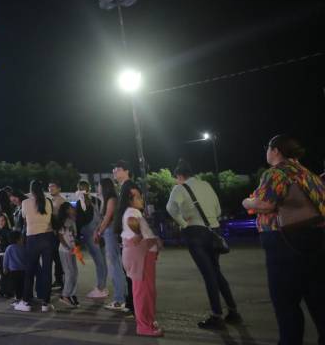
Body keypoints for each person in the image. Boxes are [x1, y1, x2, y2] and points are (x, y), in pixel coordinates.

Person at [243, 135, 325, 345]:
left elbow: (266, 204)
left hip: (284, 242)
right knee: (317, 299)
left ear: (276, 150)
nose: (267, 152)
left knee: (286, 303)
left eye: (268, 148)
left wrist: (247, 201)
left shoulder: (277, 173)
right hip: (316, 241)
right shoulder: (311, 175)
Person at [167, 159, 241, 329]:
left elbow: (171, 208)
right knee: (216, 272)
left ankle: (216, 316)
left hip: (195, 234)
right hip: (214, 231)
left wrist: (184, 223)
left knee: (209, 275)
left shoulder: (180, 187)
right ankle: (233, 311)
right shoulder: (206, 185)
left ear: (179, 176)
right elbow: (218, 210)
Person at [121, 185, 163, 337]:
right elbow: (138, 232)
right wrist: (152, 240)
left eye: (140, 196)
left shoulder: (133, 212)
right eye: (137, 197)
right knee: (143, 292)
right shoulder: (132, 212)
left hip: (143, 256)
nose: (141, 199)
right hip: (141, 257)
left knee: (147, 291)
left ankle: (148, 321)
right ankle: (144, 326)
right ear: (129, 200)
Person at [14, 180, 55, 313]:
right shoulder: (48, 201)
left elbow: (25, 219)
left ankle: (26, 302)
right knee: (47, 271)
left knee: (30, 271)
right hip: (47, 238)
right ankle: (46, 303)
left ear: (31, 190)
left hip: (32, 238)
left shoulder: (25, 203)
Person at [94, 178, 128, 310]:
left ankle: (119, 299)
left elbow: (107, 218)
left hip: (111, 234)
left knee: (115, 266)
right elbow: (103, 219)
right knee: (116, 265)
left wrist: (98, 232)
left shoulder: (112, 199)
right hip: (108, 233)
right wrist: (98, 230)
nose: (97, 188)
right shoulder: (107, 199)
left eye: (98, 185)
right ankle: (122, 295)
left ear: (104, 186)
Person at [108, 160, 135, 313]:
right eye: (113, 169)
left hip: (130, 234)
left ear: (126, 170)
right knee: (128, 271)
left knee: (131, 271)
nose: (114, 172)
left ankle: (133, 305)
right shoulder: (124, 187)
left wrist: (119, 231)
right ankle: (131, 303)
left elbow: (129, 211)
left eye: (117, 169)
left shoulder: (128, 186)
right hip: (127, 233)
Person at [75, 180, 108, 299]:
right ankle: (103, 286)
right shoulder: (96, 201)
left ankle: (100, 288)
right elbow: (102, 216)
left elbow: (78, 223)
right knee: (102, 261)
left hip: (90, 235)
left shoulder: (80, 204)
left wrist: (77, 237)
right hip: (101, 232)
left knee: (99, 262)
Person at [57, 202, 80, 307]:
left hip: (72, 250)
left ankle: (71, 293)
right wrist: (67, 247)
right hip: (65, 251)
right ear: (66, 210)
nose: (73, 209)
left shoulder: (72, 220)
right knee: (69, 272)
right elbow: (60, 236)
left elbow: (73, 236)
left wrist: (74, 246)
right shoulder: (65, 221)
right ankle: (65, 295)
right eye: (71, 208)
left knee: (74, 272)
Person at [47, 182, 66, 289]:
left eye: (53, 187)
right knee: (55, 257)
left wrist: (57, 230)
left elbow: (62, 218)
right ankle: (59, 280)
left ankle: (60, 281)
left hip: (57, 233)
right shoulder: (51, 200)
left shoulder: (61, 201)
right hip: (52, 232)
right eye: (49, 187)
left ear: (59, 188)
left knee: (57, 257)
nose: (50, 189)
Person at [3, 231, 26, 306]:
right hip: (23, 270)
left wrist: (5, 268)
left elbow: (6, 259)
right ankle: (23, 299)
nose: (23, 239)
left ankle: (17, 299)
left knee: (15, 286)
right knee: (22, 285)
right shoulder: (23, 247)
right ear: (17, 239)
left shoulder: (9, 248)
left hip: (13, 271)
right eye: (21, 238)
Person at [0, 214, 11, 297]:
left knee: (6, 273)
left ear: (6, 221)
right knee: (2, 273)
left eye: (3, 220)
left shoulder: (7, 231)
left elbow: (9, 243)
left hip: (5, 254)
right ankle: (3, 290)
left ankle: (7, 291)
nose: (1, 222)